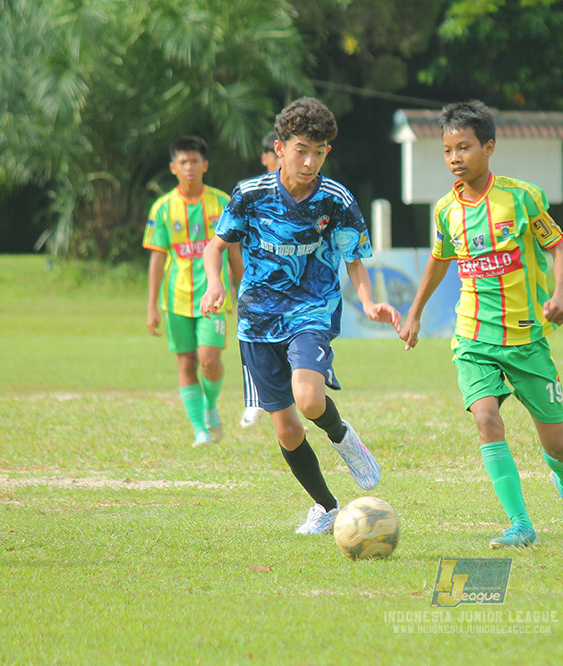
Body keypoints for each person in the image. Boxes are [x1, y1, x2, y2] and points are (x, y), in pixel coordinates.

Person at [399, 100, 563, 549]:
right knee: (486, 418)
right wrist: (414, 312)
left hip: (527, 338)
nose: (455, 158)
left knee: (558, 445)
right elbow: (439, 259)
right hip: (472, 337)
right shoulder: (446, 210)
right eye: (448, 150)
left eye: (464, 147)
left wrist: (559, 296)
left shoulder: (521, 197)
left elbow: (560, 250)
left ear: (488, 147)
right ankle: (520, 524)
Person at [200, 96, 401, 535]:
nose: (310, 162)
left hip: (311, 310)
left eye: (320, 152)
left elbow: (354, 259)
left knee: (309, 400)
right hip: (256, 320)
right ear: (279, 148)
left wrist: (368, 302)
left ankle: (344, 438)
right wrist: (216, 283)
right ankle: (326, 506)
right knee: (288, 430)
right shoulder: (250, 195)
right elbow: (215, 246)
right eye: (301, 150)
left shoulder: (335, 199)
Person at [144, 135, 243, 448]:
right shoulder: (162, 208)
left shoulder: (223, 203)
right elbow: (157, 259)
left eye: (195, 161)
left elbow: (235, 253)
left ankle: (210, 403)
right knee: (186, 363)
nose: (190, 167)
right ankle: (200, 429)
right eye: (183, 162)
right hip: (176, 299)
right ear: (174, 167)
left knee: (209, 359)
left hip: (214, 297)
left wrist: (244, 294)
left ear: (205, 165)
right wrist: (151, 307)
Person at [239, 130, 280, 429]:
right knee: (253, 341)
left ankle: (286, 404)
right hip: (259, 284)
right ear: (267, 157)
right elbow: (228, 242)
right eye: (276, 156)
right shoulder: (252, 194)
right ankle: (254, 403)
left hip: (294, 289)